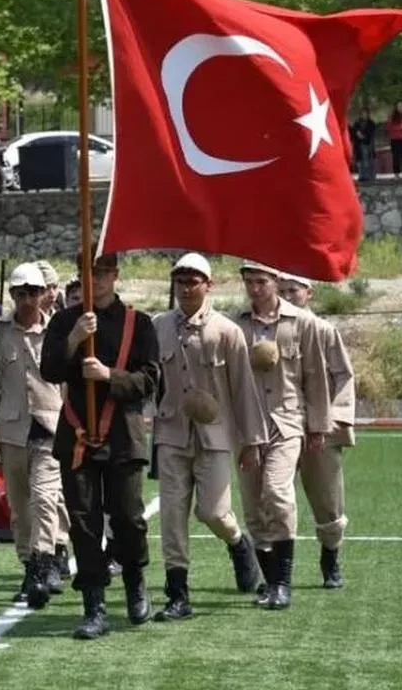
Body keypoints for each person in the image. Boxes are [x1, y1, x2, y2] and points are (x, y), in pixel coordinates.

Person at [41, 251, 160, 640]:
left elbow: (149, 381)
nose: (97, 280)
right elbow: (50, 370)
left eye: (103, 272)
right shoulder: (64, 321)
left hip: (123, 435)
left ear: (115, 275)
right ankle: (94, 605)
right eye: (89, 273)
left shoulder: (138, 323)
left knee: (128, 517)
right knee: (83, 523)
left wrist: (110, 375)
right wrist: (74, 341)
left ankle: (135, 582)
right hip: (77, 434)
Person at [151, 254, 267, 622]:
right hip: (171, 433)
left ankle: (238, 543)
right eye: (180, 281)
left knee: (213, 512)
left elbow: (244, 390)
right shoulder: (158, 327)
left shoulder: (226, 331)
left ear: (208, 285)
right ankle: (178, 594)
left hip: (215, 437)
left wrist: (251, 441)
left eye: (193, 281)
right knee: (171, 516)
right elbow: (149, 380)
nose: (186, 287)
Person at [233, 261, 332, 610]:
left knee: (277, 492)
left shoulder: (302, 323)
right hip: (247, 427)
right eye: (249, 282)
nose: (255, 288)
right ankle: (270, 582)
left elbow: (316, 377)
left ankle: (282, 583)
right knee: (254, 509)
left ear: (276, 281)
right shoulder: (236, 324)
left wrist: (319, 426)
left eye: (261, 281)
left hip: (287, 422)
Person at [0, 263, 66, 608]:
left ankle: (43, 562)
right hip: (10, 429)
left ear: (45, 294)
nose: (27, 300)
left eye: (33, 292)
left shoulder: (59, 331)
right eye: (21, 293)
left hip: (50, 427)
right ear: (12, 295)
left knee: (45, 499)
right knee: (20, 508)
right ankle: (29, 564)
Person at [277, 272, 355, 589]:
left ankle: (330, 556)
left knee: (328, 501)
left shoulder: (324, 330)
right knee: (274, 498)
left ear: (308, 293)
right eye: (281, 291)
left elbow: (344, 376)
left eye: (293, 291)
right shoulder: (270, 332)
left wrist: (333, 419)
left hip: (319, 430)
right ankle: (275, 573)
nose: (286, 297)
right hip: (281, 426)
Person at [351, 108, 377, 180]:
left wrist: (364, 136)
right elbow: (353, 132)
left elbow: (372, 133)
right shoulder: (357, 123)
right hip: (360, 144)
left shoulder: (371, 123)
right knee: (361, 160)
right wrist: (358, 134)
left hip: (368, 143)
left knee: (369, 160)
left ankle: (371, 175)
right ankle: (362, 176)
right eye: (362, 114)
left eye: (365, 113)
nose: (364, 115)